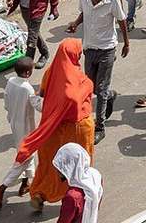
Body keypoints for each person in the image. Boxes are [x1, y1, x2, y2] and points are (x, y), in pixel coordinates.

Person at [19, 38, 96, 214]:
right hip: (78, 129)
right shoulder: (83, 80)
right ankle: (79, 197)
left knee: (49, 162)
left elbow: (44, 95)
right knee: (80, 165)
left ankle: (39, 194)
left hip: (52, 126)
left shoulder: (50, 73)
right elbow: (77, 102)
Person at [67, 0, 130, 137]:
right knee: (91, 87)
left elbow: (121, 20)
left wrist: (126, 43)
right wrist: (75, 23)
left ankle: (100, 127)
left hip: (107, 50)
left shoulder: (112, 0)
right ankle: (110, 96)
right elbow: (84, 13)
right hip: (89, 49)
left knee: (100, 88)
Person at [0, 57, 39, 211]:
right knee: (25, 157)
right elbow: (37, 105)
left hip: (14, 122)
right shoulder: (28, 88)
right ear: (28, 72)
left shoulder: (11, 82)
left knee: (25, 153)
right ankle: (3, 186)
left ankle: (26, 182)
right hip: (26, 127)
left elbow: (6, 102)